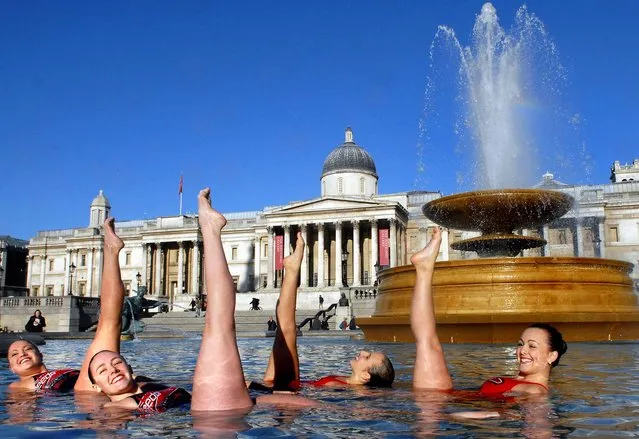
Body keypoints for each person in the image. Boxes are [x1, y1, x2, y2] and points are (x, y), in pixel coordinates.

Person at [410, 227, 567, 395]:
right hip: (448, 401)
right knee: (427, 340)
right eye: (521, 344)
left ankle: (425, 270)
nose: (523, 351)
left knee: (427, 341)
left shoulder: (534, 392)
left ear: (552, 356)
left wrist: (454, 416)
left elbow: (506, 416)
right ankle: (425, 270)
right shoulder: (520, 381)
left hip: (442, 408)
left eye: (532, 346)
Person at [252, 233, 395, 389]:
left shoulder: (340, 388)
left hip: (288, 390)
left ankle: (292, 270)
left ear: (365, 375)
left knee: (287, 330)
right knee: (284, 331)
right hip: (283, 386)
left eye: (367, 357)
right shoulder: (344, 381)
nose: (363, 351)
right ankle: (292, 269)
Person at [7, 218, 128, 393]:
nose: (23, 354)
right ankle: (112, 251)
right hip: (82, 394)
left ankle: (111, 252)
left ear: (40, 355)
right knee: (108, 325)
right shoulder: (17, 387)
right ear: (10, 368)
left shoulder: (64, 373)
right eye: (15, 355)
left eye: (28, 349)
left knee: (109, 321)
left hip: (89, 387)